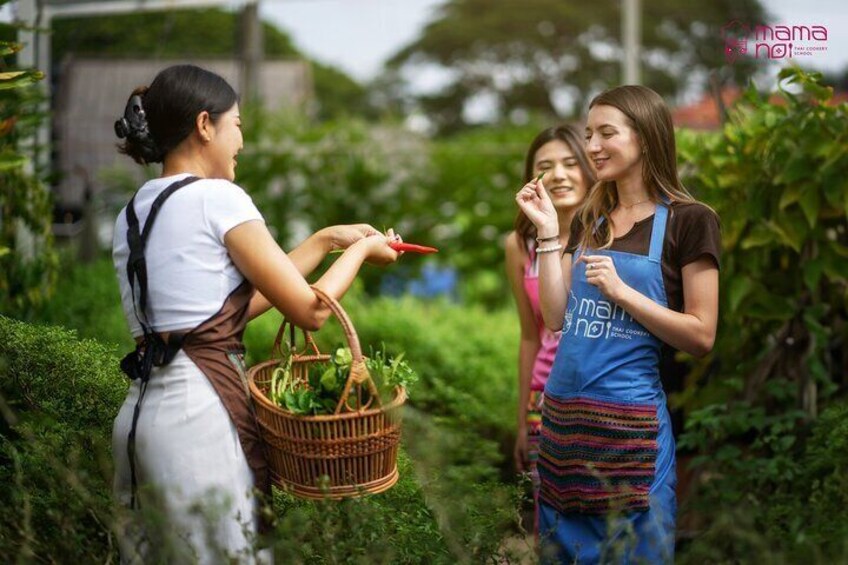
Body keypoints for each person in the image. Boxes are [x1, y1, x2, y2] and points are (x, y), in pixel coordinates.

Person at [110, 64, 400, 564]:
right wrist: (363, 252)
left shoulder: (133, 211)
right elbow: (310, 311)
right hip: (201, 424)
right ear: (205, 125)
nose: (242, 139)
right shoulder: (217, 198)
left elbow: (224, 314)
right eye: (238, 124)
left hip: (143, 421)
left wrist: (328, 240)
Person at [515, 85, 720, 563]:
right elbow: (554, 316)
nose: (592, 147)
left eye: (607, 133)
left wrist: (623, 293)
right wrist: (548, 234)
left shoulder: (691, 221)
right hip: (565, 422)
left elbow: (702, 335)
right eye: (589, 134)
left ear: (645, 138)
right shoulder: (591, 218)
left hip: (631, 428)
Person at [505, 125, 595, 535]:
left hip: (601, 393)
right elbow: (529, 335)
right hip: (545, 402)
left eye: (570, 163)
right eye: (545, 167)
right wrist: (522, 419)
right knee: (554, 522)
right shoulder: (519, 245)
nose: (558, 174)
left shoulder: (612, 231)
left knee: (604, 516)